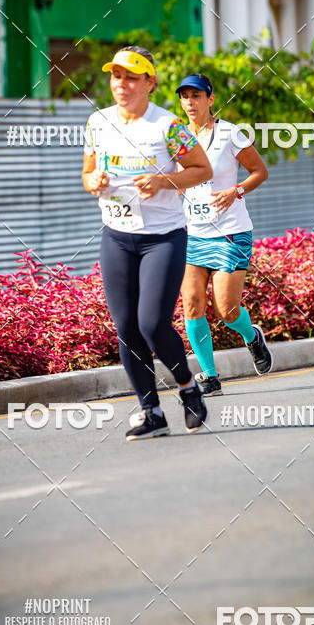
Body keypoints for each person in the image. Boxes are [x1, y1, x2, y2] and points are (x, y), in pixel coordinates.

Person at [82, 47, 214, 439]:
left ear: (150, 83)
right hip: (117, 237)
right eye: (116, 76)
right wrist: (94, 182)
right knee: (126, 328)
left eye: (131, 77)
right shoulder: (98, 123)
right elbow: (87, 174)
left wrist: (162, 181)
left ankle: (188, 388)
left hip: (162, 238)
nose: (121, 84)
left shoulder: (167, 126)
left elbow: (202, 169)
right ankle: (151, 412)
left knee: (152, 323)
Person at [176, 73, 272, 396]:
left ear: (210, 99)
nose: (190, 102)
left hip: (230, 232)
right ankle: (210, 376)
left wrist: (235, 191)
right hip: (193, 234)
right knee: (192, 304)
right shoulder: (177, 137)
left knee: (227, 309)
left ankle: (252, 336)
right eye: (185, 96)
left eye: (196, 96)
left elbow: (260, 171)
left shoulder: (230, 133)